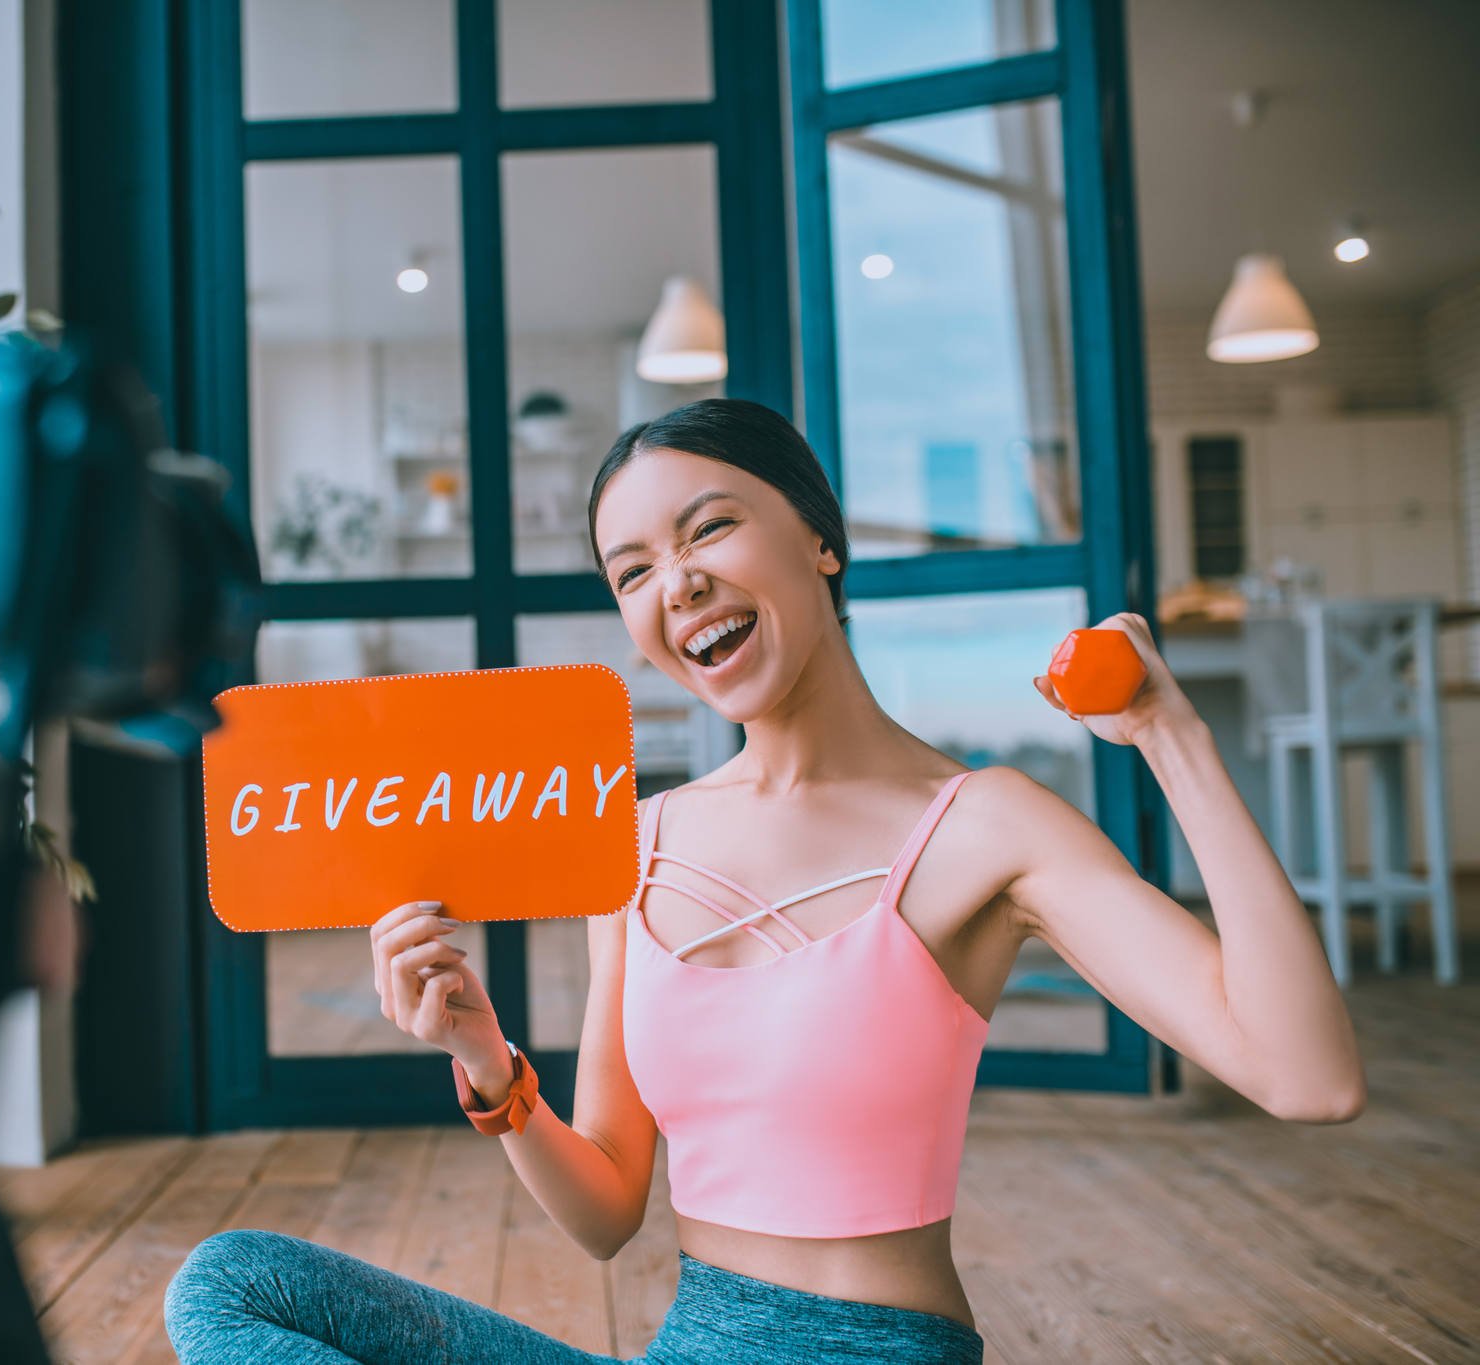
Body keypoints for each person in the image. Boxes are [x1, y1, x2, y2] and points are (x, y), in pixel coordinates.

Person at [163, 398, 1366, 1363]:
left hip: (878, 1348)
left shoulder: (984, 826)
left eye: (706, 530)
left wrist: (1171, 738)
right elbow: (604, 1214)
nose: (671, 584)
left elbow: (1304, 1078)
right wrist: (487, 1066)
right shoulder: (629, 842)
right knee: (230, 1285)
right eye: (628, 570)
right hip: (688, 1345)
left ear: (817, 538)